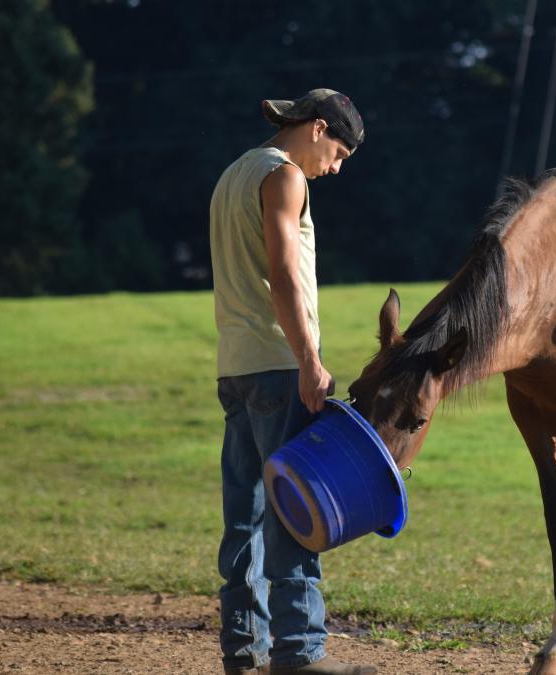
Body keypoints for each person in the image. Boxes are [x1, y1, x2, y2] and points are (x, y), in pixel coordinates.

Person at [209, 89, 375, 675]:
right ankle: (300, 654)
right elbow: (283, 275)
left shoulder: (234, 172)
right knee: (293, 513)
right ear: (317, 128)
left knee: (245, 517)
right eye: (338, 153)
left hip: (235, 365)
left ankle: (241, 650)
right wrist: (310, 360)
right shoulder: (284, 177)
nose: (334, 168)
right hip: (281, 364)